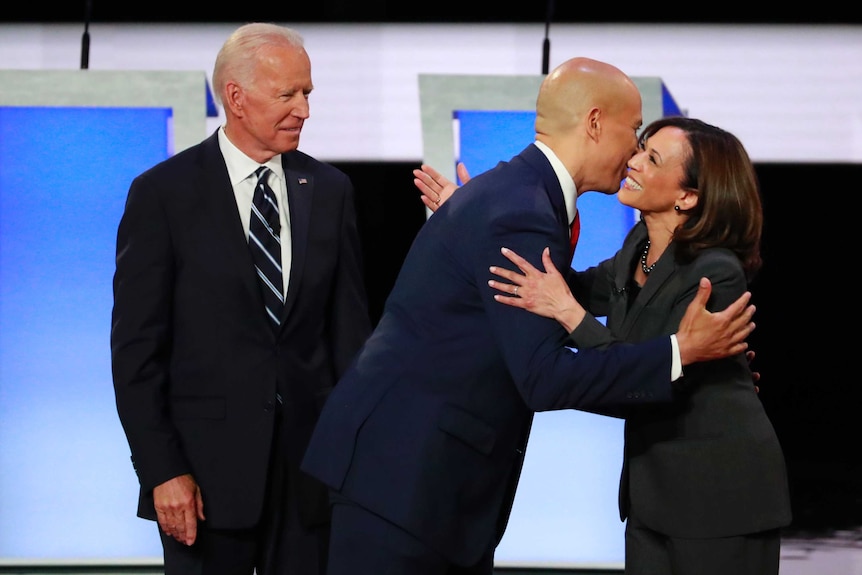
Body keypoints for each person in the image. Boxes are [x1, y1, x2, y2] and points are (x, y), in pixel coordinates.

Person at [300, 57, 757, 575]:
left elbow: (560, 296)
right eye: (633, 133)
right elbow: (544, 377)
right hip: (406, 482)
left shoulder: (511, 196)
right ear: (593, 123)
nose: (633, 151)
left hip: (412, 478)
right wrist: (682, 354)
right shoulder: (519, 210)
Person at [427, 116, 791, 574]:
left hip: (720, 494)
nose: (632, 161)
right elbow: (564, 287)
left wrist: (569, 315)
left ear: (688, 196)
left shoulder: (714, 274)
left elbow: (647, 368)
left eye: (652, 158)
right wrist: (477, 221)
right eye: (640, 148)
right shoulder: (639, 246)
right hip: (651, 496)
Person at [110, 23, 371, 575]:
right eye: (287, 95)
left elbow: (349, 340)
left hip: (309, 481)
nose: (304, 109)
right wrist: (161, 471)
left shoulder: (330, 192)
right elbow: (136, 354)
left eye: (308, 93)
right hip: (201, 482)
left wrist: (355, 461)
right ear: (235, 97)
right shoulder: (163, 195)